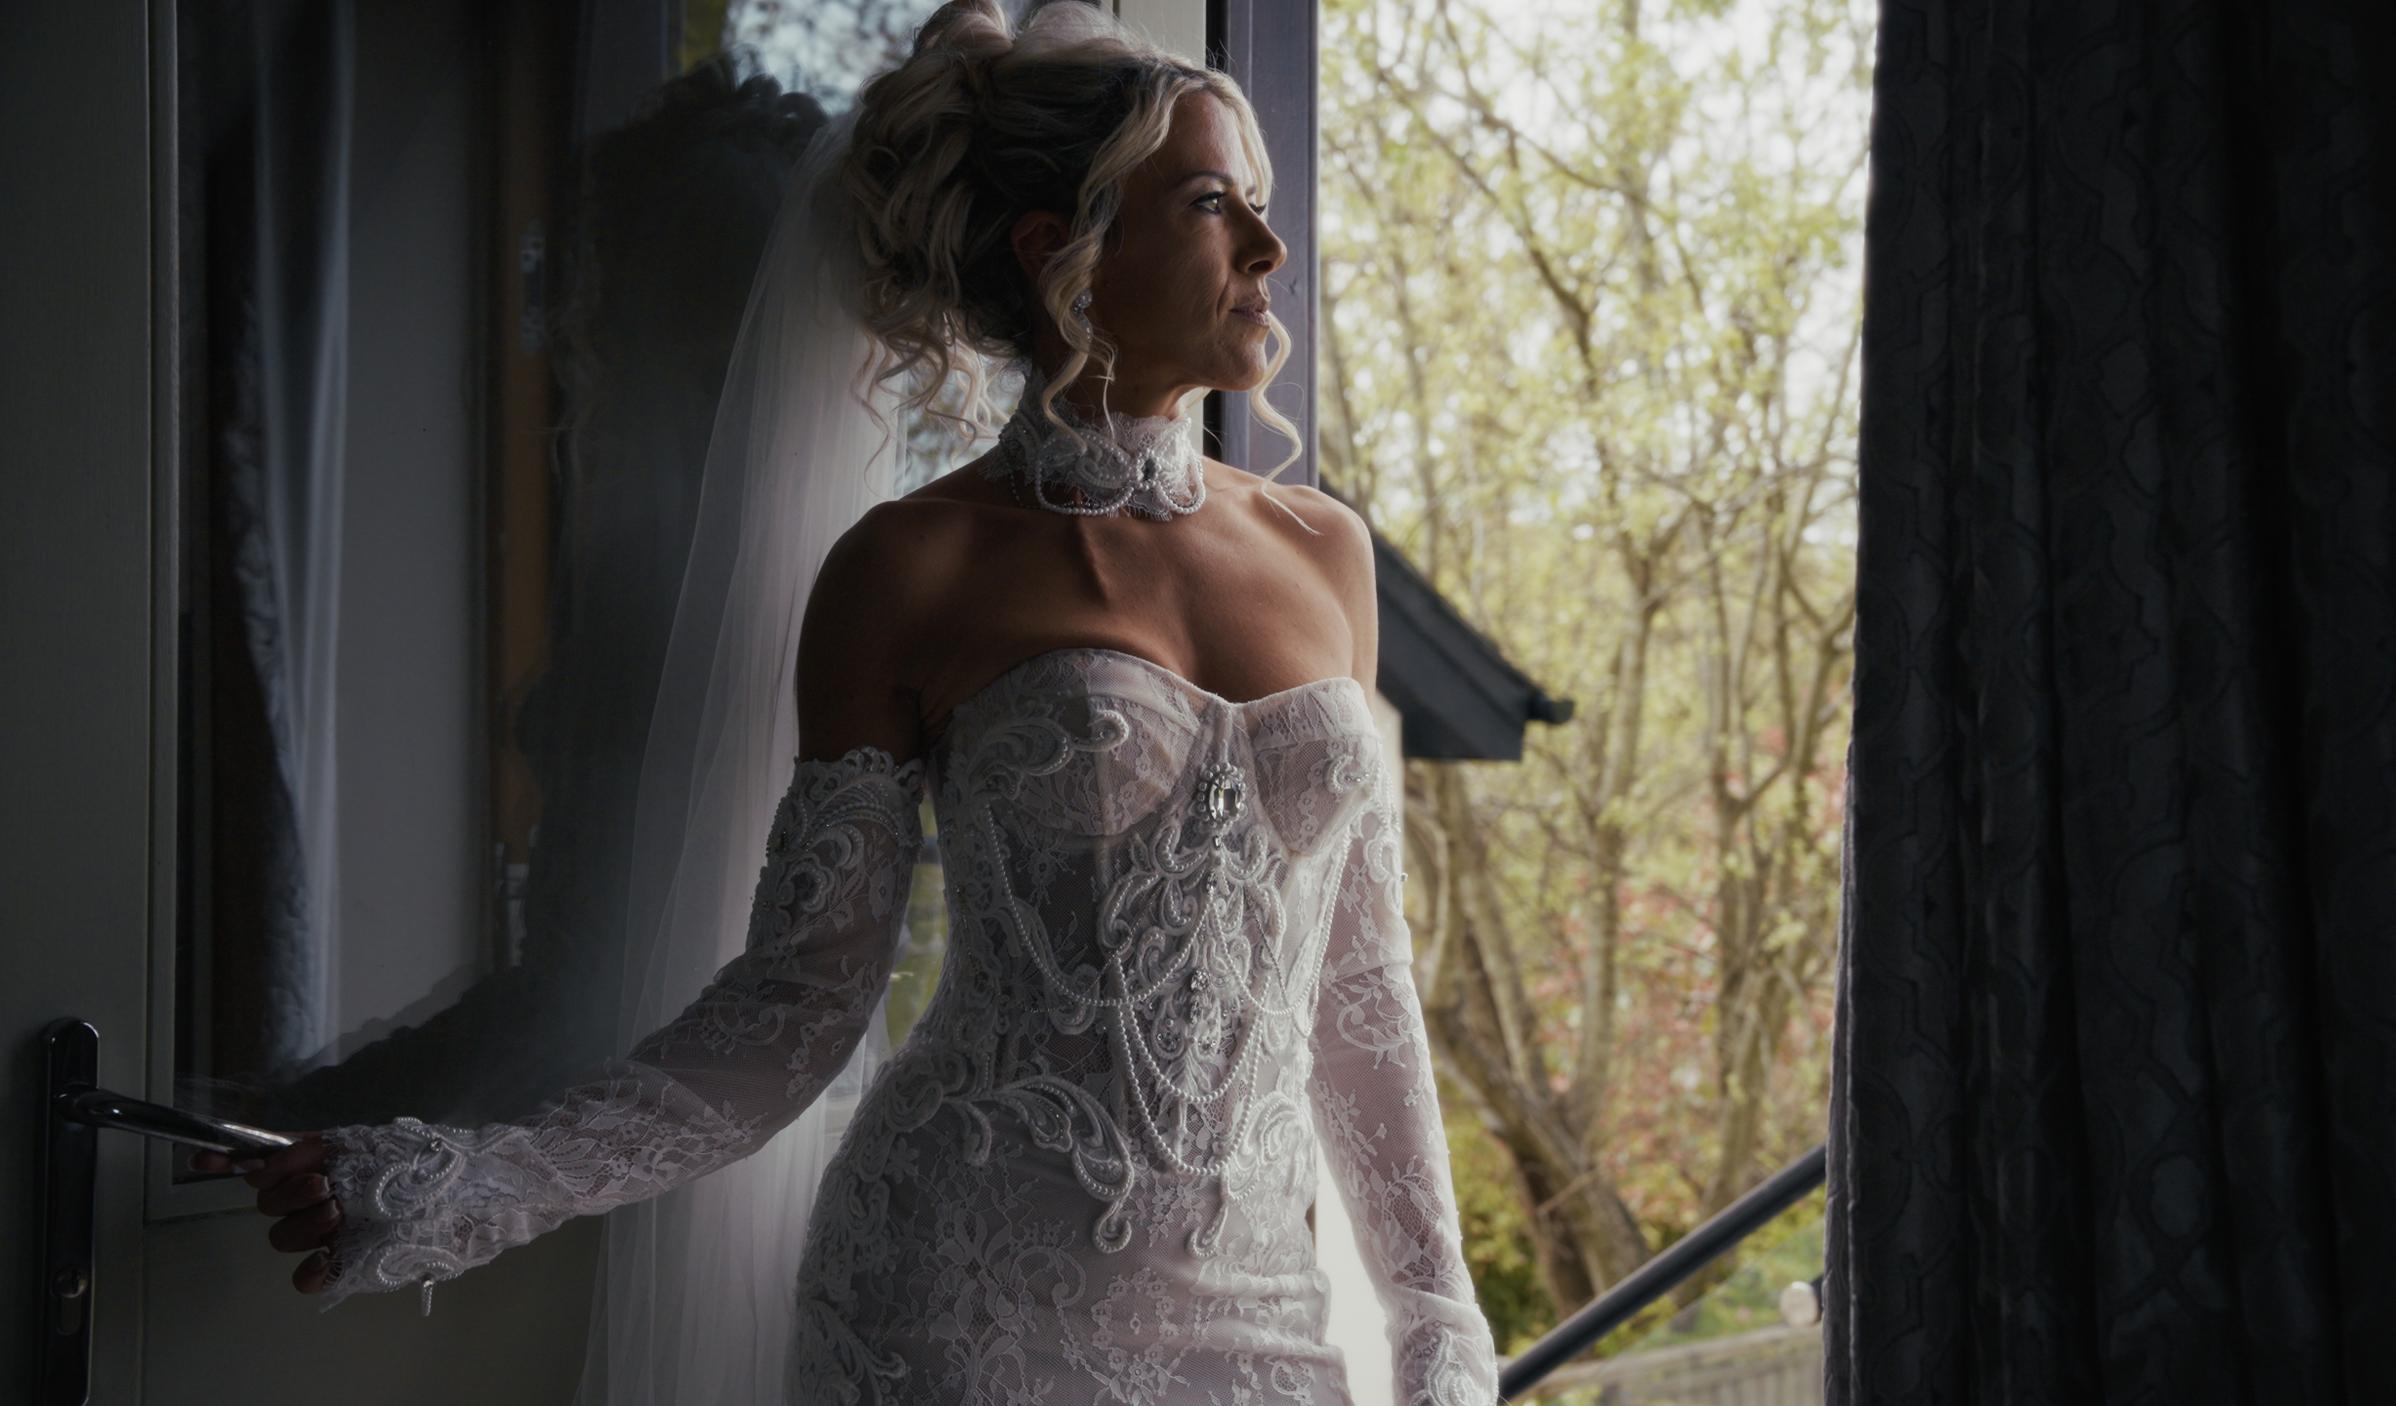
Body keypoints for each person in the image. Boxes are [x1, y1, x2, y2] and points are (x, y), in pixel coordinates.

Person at [196, 3, 1499, 1401]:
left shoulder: (1326, 555)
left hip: (1264, 1325)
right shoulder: (909, 567)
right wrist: (473, 1179)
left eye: (1259, 203)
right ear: (1060, 251)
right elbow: (790, 1011)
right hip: (954, 1314)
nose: (1267, 248)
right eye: (1208, 205)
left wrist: (1435, 1315)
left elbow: (1359, 996)